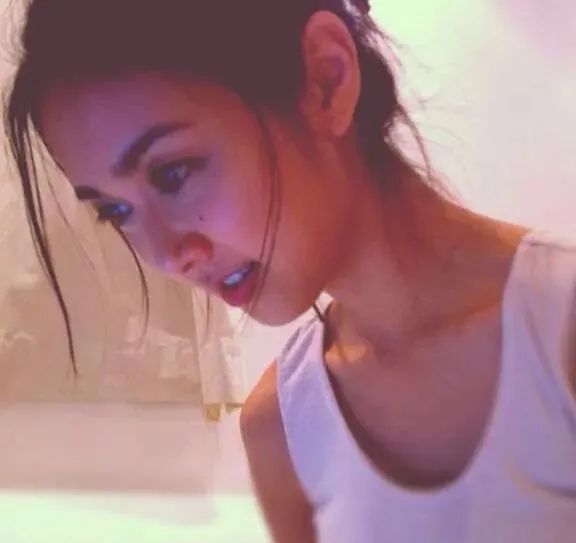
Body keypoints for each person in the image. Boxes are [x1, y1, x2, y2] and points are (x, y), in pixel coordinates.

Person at [4, 0, 576, 541]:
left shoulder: (560, 329)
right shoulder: (281, 426)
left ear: (326, 81)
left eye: (173, 173)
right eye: (116, 212)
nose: (164, 256)